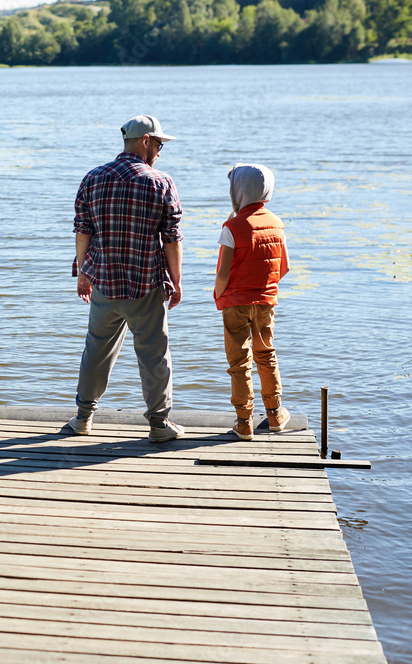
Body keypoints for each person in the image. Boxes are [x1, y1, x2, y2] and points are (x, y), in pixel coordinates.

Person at [68, 114, 185, 443]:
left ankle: (82, 419)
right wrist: (176, 281)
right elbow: (172, 238)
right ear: (145, 141)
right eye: (159, 144)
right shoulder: (161, 182)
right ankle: (159, 426)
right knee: (154, 354)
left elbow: (82, 231)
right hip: (145, 284)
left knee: (96, 350)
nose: (160, 152)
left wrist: (82, 273)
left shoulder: (93, 178)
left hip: (104, 281)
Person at [213, 163, 291, 440]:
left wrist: (218, 295)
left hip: (235, 303)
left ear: (238, 190)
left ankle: (244, 422)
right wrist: (266, 287)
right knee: (266, 354)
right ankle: (275, 414)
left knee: (239, 362)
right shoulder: (277, 223)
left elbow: (223, 273)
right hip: (265, 300)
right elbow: (284, 268)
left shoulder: (231, 227)